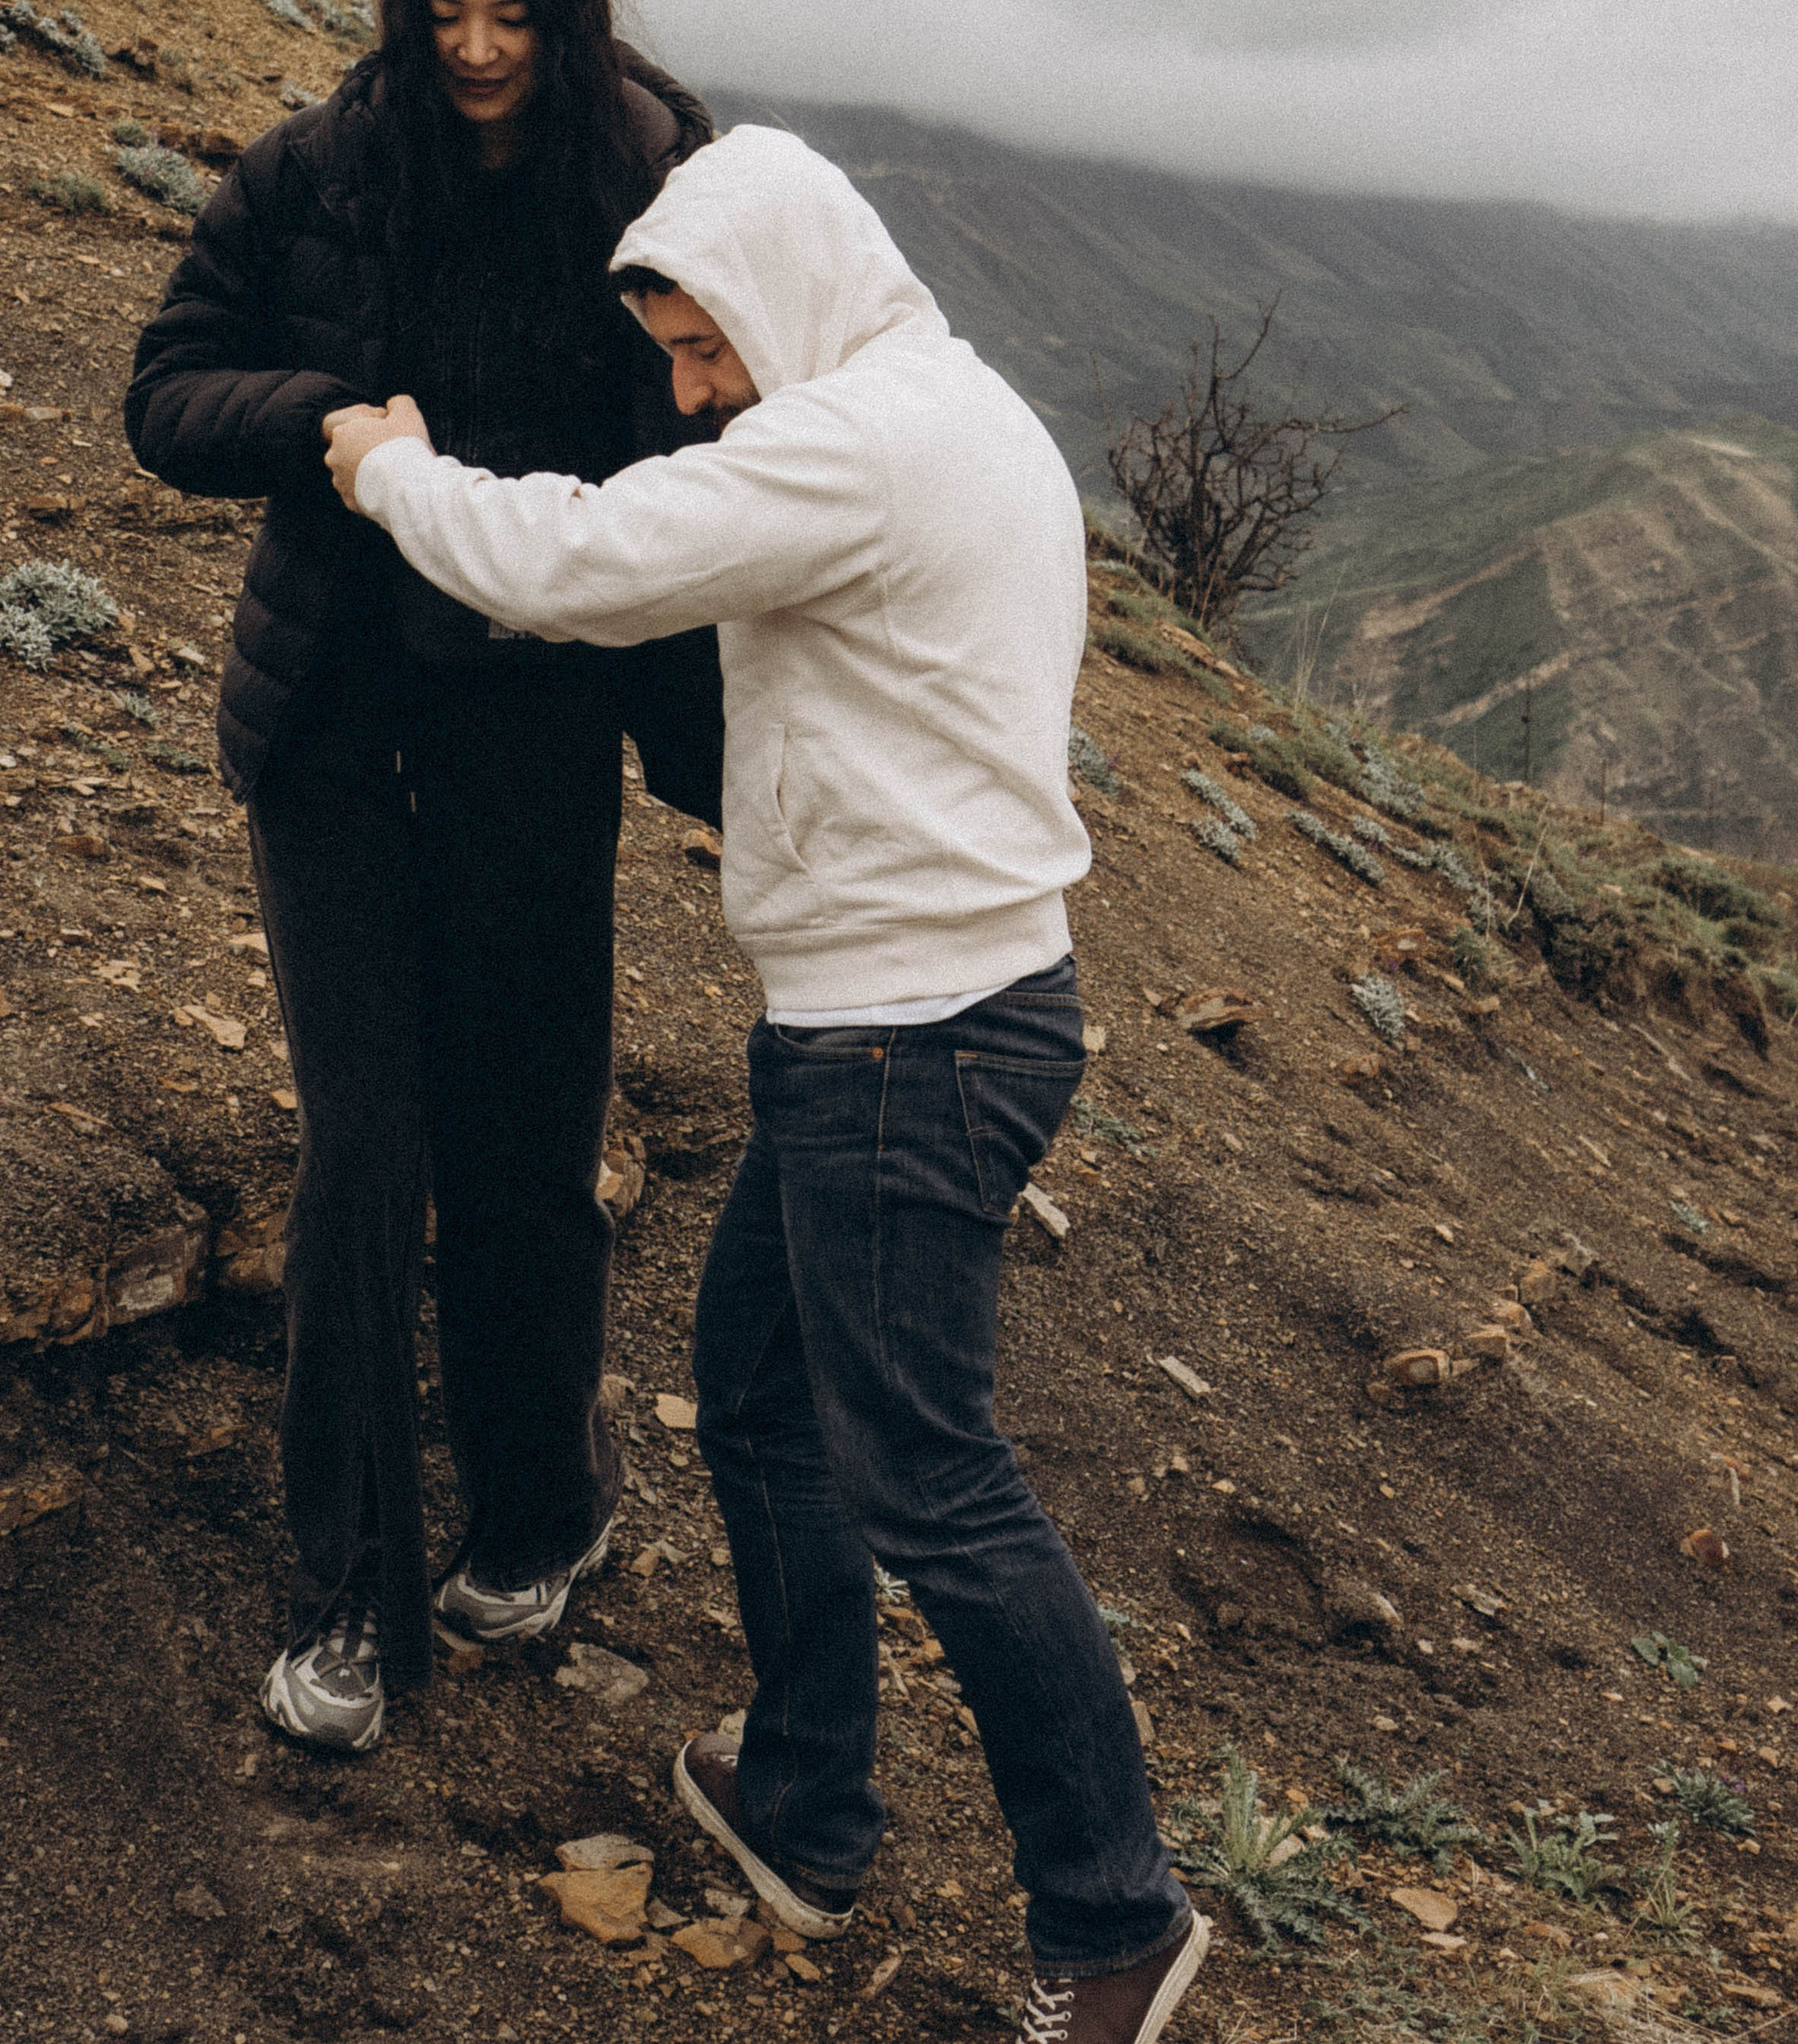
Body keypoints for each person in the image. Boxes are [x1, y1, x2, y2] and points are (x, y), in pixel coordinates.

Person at [322, 125, 1208, 2044]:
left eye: (704, 346)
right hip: (921, 1016)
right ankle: (804, 1795)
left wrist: (390, 467)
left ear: (787, 284)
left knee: (936, 1483)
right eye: (671, 356)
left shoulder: (849, 443)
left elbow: (578, 563)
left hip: (902, 1041)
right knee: (758, 1392)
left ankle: (1111, 1915)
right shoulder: (955, 409)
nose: (690, 390)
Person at [125, 0, 724, 1754]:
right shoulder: (323, 161)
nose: (474, 51)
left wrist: (711, 747)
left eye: (511, 16)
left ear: (568, 4)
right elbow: (162, 386)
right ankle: (344, 1595)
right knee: (363, 1152)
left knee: (528, 1148)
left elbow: (719, 448)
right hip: (331, 727)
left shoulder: (644, 171)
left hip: (534, 738)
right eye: (443, 12)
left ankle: (542, 1513)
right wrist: (320, 428)